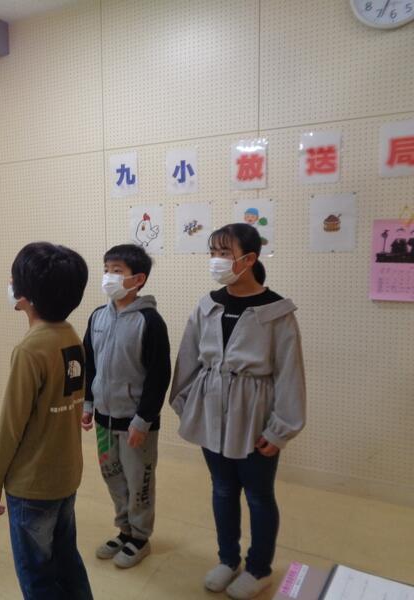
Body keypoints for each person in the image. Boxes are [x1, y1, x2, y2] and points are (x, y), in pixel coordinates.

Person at [169, 223, 306, 600]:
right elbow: (187, 358)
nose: (216, 260)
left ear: (248, 259)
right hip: (211, 412)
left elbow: (290, 374)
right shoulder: (207, 305)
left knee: (259, 495)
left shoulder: (277, 312)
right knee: (223, 488)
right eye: (213, 252)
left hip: (255, 416)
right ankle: (228, 560)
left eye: (224, 253)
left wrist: (280, 429)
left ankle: (259, 569)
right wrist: (188, 406)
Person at [0, 242, 94, 600]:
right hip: (66, 476)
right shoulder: (70, 335)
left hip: (32, 486)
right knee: (66, 559)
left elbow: (10, 427)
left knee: (37, 575)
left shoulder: (30, 350)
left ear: (25, 297)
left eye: (12, 277)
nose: (9, 282)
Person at [82, 244, 171, 569]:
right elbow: (90, 364)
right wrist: (88, 403)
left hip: (135, 423)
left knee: (139, 482)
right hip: (104, 420)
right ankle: (124, 530)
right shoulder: (97, 316)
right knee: (113, 477)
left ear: (138, 279)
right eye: (107, 269)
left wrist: (143, 420)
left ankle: (140, 537)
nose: (109, 276)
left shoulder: (150, 321)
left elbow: (159, 376)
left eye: (117, 271)